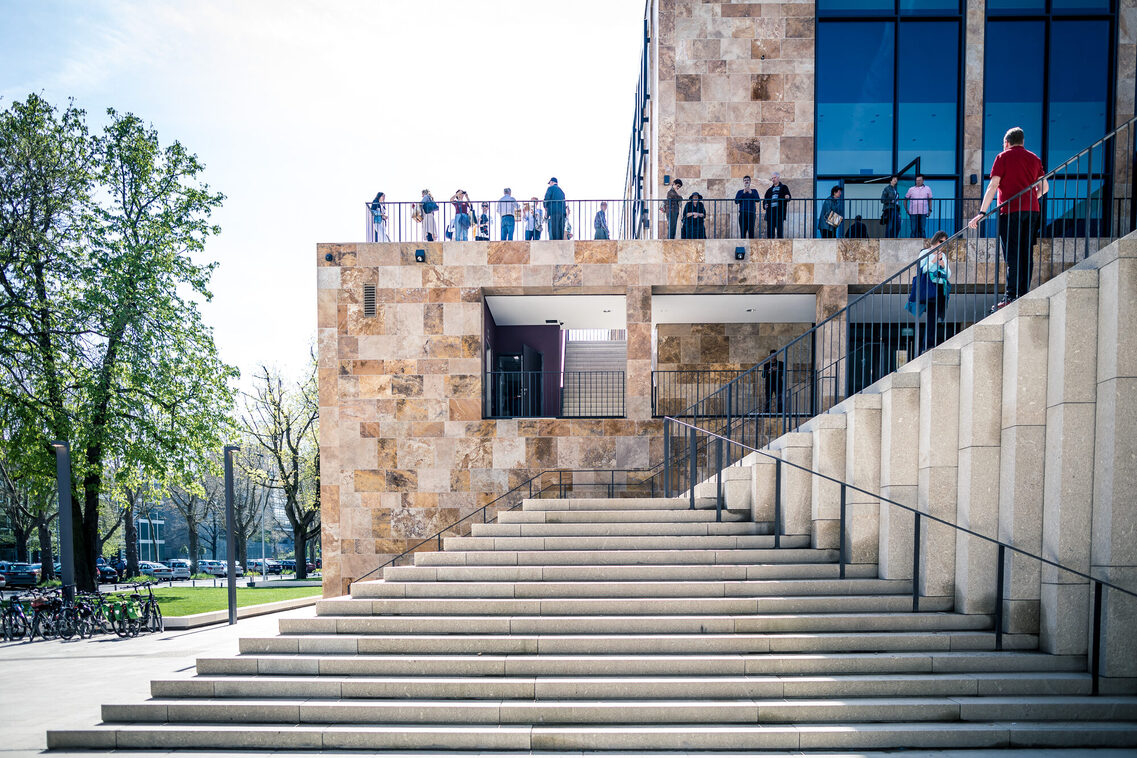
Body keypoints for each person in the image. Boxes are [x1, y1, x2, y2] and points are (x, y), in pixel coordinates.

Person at [969, 126, 1048, 311]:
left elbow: (993, 185)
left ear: (1006, 143)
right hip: (1032, 211)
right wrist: (1029, 198)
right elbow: (1044, 188)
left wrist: (981, 212)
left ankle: (1011, 296)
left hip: (1010, 211)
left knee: (1012, 253)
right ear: (1022, 142)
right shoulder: (1034, 158)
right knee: (1026, 252)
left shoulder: (1002, 157)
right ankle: (1023, 293)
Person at [905, 231, 952, 354]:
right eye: (941, 241)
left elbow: (949, 274)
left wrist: (942, 265)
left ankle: (929, 345)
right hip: (930, 286)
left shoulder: (944, 256)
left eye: (945, 242)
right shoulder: (925, 253)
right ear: (935, 240)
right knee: (931, 316)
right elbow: (922, 270)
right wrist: (933, 261)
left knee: (935, 317)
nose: (942, 244)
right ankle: (926, 347)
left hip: (940, 287)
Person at [763, 172, 791, 239]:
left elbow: (788, 196)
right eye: (772, 178)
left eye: (774, 178)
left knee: (779, 232)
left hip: (779, 212)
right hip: (771, 213)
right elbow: (765, 200)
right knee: (770, 232)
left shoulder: (784, 187)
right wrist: (764, 205)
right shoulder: (769, 190)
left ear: (778, 178)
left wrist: (787, 196)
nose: (773, 179)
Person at [762, 349, 784, 414]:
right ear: (770, 356)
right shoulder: (766, 365)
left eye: (774, 355)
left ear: (776, 356)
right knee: (768, 399)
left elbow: (783, 373)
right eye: (772, 356)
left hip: (778, 384)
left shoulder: (780, 364)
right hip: (769, 384)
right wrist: (769, 371)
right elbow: (763, 375)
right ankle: (767, 413)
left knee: (779, 399)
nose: (773, 357)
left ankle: (780, 413)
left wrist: (778, 370)